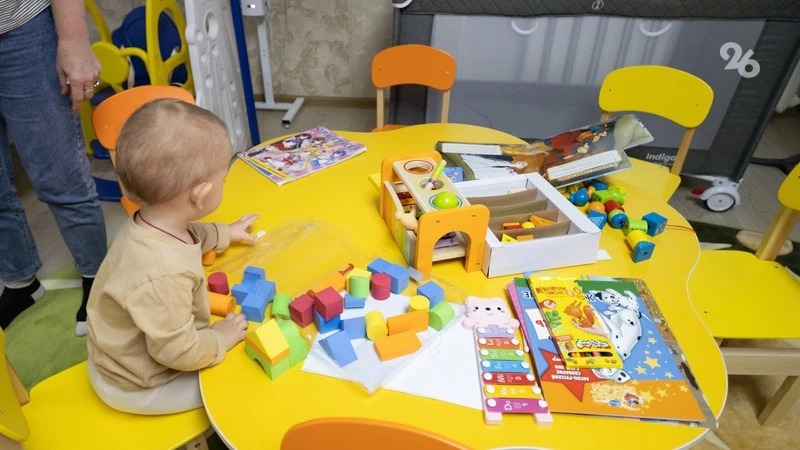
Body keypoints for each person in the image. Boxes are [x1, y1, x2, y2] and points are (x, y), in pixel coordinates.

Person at [86, 99, 254, 414]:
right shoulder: (164, 273)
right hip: (138, 385)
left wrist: (225, 233)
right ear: (201, 195)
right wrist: (220, 339)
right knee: (238, 384)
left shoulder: (152, 222)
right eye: (223, 180)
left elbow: (189, 234)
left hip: (116, 356)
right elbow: (177, 351)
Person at [0, 0, 105, 334]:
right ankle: (20, 283)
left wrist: (74, 40)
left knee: (60, 176)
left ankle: (98, 278)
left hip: (22, 29)